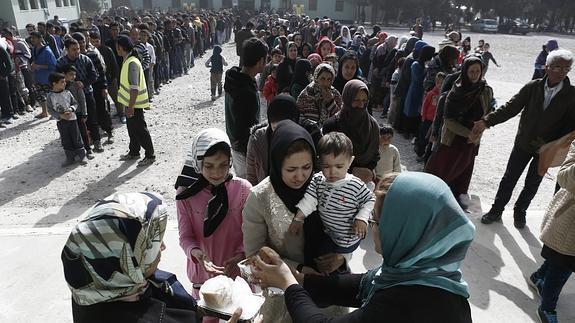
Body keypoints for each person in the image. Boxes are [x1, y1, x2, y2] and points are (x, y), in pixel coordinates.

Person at [251, 172, 475, 323]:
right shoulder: (419, 273)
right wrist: (298, 278)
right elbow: (356, 286)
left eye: (377, 221)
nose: (371, 228)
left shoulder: (407, 303)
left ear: (407, 231)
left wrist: (287, 284)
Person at [61, 191, 251, 323]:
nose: (163, 246)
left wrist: (203, 309)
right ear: (125, 256)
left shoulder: (102, 283)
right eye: (150, 244)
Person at [243, 120, 348, 322]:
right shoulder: (260, 197)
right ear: (276, 162)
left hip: (331, 289)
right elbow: (254, 253)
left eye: (307, 167)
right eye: (291, 169)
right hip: (285, 295)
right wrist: (298, 270)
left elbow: (347, 228)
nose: (300, 176)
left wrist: (342, 257)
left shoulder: (327, 186)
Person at [476, 49, 575, 229]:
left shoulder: (572, 95)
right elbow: (511, 108)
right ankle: (496, 210)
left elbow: (570, 127)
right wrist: (487, 121)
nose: (562, 72)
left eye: (566, 68)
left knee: (532, 183)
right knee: (509, 178)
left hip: (546, 150)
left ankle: (520, 212)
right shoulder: (532, 87)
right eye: (558, 67)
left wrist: (552, 146)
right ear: (547, 67)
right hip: (523, 143)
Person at [174, 128, 251, 320]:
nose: (217, 173)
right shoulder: (185, 193)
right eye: (209, 166)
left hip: (235, 273)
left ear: (231, 162)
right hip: (202, 276)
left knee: (241, 315)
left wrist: (241, 255)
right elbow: (185, 236)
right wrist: (197, 254)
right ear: (197, 163)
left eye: (223, 165)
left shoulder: (242, 190)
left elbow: (250, 231)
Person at [289, 132, 375, 257]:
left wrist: (362, 217)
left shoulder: (355, 184)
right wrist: (298, 219)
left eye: (339, 166)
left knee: (336, 263)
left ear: (350, 161)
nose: (332, 172)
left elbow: (370, 199)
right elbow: (309, 199)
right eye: (326, 166)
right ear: (319, 162)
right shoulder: (318, 180)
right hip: (328, 234)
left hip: (348, 239)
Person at [426, 57, 493, 205]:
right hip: (454, 140)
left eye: (478, 71)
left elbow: (488, 113)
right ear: (465, 72)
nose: (475, 74)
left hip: (472, 140)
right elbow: (449, 121)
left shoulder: (486, 90)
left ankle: (453, 203)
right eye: (471, 71)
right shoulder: (456, 92)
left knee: (462, 174)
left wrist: (478, 132)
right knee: (443, 172)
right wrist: (469, 134)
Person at [529, 140, 575, 323]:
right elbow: (563, 177)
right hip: (570, 219)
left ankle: (539, 276)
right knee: (564, 264)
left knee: (560, 259)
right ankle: (547, 307)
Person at [224, 37, 268, 179]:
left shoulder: (234, 77)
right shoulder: (246, 92)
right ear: (261, 60)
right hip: (245, 150)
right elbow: (245, 128)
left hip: (234, 144)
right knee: (247, 187)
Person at [323, 80, 380, 185]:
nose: (361, 104)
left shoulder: (372, 125)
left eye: (364, 100)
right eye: (356, 100)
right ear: (347, 99)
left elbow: (375, 155)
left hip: (364, 182)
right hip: (336, 181)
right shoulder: (332, 125)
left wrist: (368, 171)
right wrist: (351, 171)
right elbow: (327, 159)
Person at [116, 35, 156, 167]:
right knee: (132, 128)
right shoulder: (128, 60)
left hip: (134, 103)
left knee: (139, 129)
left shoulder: (132, 62)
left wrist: (131, 106)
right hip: (130, 103)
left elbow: (134, 87)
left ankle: (150, 155)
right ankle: (134, 151)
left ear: (120, 47)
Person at [46, 72, 86, 167]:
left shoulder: (67, 93)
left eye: (64, 82)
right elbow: (50, 110)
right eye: (62, 82)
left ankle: (82, 156)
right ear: (54, 84)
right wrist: (60, 116)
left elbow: (75, 103)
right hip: (61, 121)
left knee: (76, 137)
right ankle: (70, 158)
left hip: (72, 119)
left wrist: (71, 109)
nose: (65, 83)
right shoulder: (50, 96)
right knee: (65, 139)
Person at [60, 64, 93, 160]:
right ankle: (75, 152)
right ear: (63, 74)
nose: (73, 77)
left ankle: (88, 149)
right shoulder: (60, 87)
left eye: (74, 75)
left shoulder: (77, 86)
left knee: (83, 132)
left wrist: (84, 113)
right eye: (71, 74)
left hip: (78, 113)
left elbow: (82, 100)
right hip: (66, 115)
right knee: (71, 134)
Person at [403, 45, 436, 139]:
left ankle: (414, 131)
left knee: (419, 111)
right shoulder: (415, 65)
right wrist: (426, 69)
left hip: (422, 91)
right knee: (410, 110)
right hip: (415, 90)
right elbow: (417, 79)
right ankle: (407, 131)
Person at [296, 63, 342, 127]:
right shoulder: (306, 94)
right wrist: (312, 126)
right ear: (316, 78)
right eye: (322, 79)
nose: (325, 83)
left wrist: (330, 102)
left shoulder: (335, 94)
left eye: (329, 79)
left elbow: (340, 118)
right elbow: (298, 116)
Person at [416, 72, 445, 158]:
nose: (440, 85)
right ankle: (420, 153)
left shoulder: (444, 95)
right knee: (424, 137)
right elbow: (424, 106)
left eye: (442, 83)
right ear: (436, 82)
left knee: (432, 139)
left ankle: (428, 155)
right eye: (438, 82)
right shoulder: (431, 94)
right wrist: (423, 117)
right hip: (428, 120)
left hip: (436, 121)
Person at [29, 31, 57, 119]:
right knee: (40, 95)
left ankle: (55, 112)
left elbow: (53, 65)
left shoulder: (47, 51)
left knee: (51, 96)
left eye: (34, 38)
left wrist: (39, 66)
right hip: (38, 77)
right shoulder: (34, 49)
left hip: (47, 77)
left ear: (40, 39)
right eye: (31, 38)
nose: (32, 40)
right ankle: (45, 112)